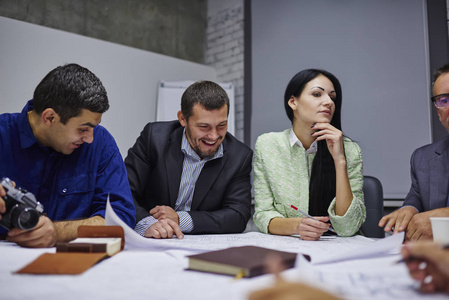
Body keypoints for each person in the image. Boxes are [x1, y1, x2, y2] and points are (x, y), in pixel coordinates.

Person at [0, 63, 136, 248]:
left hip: (74, 264)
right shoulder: (3, 136)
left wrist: (58, 233)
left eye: (93, 128)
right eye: (83, 129)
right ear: (49, 118)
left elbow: (121, 219)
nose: (89, 138)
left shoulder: (101, 144)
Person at [125, 80, 253, 239]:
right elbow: (124, 191)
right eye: (203, 127)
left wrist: (179, 219)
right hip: (148, 239)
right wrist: (147, 223)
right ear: (183, 119)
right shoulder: (154, 138)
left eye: (221, 125)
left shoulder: (239, 156)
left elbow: (237, 215)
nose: (214, 136)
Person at [253, 69, 366, 240]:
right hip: (288, 245)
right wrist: (297, 226)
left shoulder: (349, 150)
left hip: (337, 250)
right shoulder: (267, 145)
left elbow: (348, 227)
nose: (328, 102)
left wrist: (339, 159)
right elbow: (262, 215)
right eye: (317, 94)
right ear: (293, 102)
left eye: (332, 97)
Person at [379, 63, 449, 241]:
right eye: (444, 100)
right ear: (438, 111)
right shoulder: (423, 158)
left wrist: (442, 219)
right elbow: (416, 199)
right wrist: (409, 210)